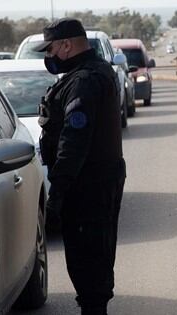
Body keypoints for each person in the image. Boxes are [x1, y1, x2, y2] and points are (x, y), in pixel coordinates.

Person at [35, 18, 126, 315]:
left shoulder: (84, 82)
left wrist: (58, 191)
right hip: (95, 179)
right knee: (93, 253)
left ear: (67, 45)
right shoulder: (88, 74)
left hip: (88, 183)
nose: (49, 57)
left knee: (88, 256)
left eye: (51, 49)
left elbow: (74, 141)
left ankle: (94, 308)